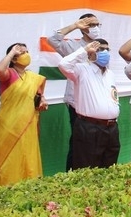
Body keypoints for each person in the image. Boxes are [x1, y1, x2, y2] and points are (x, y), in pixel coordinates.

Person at [47, 13, 102, 170]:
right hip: (77, 101)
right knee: (79, 139)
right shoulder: (72, 46)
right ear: (83, 28)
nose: (96, 28)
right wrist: (74, 26)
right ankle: (73, 174)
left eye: (98, 24)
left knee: (97, 139)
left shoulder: (102, 46)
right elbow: (52, 40)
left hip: (96, 100)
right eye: (91, 25)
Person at [58, 38, 120, 169]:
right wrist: (84, 50)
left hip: (111, 128)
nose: (105, 52)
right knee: (86, 167)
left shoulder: (110, 74)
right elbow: (63, 64)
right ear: (91, 53)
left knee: (109, 168)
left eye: (107, 49)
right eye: (100, 49)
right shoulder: (81, 69)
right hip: (90, 127)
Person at [0, 43, 48, 185]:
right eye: (21, 52)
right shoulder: (9, 74)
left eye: (26, 51)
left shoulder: (34, 78)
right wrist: (11, 53)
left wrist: (42, 102)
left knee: (29, 159)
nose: (26, 55)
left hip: (28, 126)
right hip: (8, 127)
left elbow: (39, 97)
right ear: (14, 59)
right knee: (10, 163)